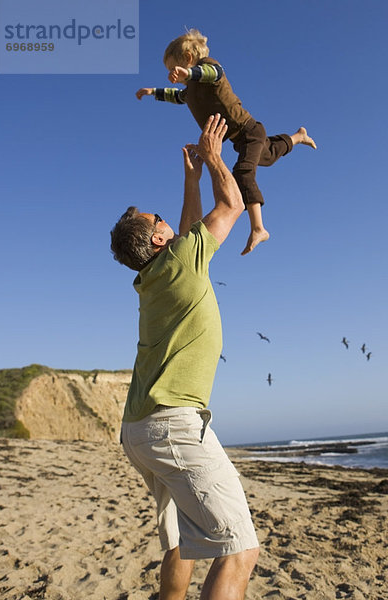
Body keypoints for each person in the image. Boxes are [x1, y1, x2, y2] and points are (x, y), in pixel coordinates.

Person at [110, 114, 259, 600]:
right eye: (160, 220)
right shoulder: (179, 260)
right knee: (238, 551)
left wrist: (190, 178)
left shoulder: (152, 277)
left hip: (138, 429)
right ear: (158, 238)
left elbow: (191, 229)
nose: (168, 222)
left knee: (180, 544)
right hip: (173, 424)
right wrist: (214, 158)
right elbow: (232, 204)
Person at [136, 28, 317, 255]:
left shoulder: (208, 70)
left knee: (242, 172)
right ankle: (298, 136)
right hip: (238, 139)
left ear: (188, 59)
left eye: (173, 69)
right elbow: (177, 96)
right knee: (269, 155)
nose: (173, 75)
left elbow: (214, 72)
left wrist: (189, 74)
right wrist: (153, 91)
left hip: (249, 130)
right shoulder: (189, 90)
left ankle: (259, 228)